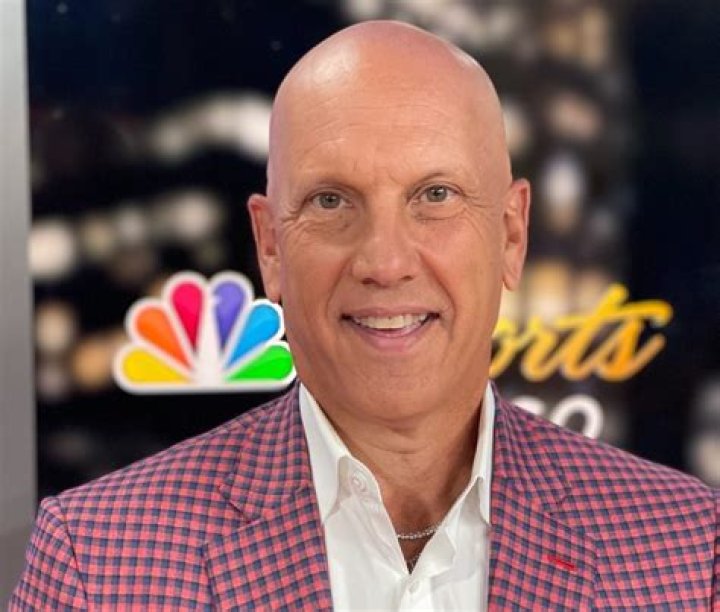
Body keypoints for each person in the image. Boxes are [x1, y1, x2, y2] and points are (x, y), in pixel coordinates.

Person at [12, 21, 719, 610]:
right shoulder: (97, 561)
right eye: (331, 202)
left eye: (435, 195)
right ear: (270, 246)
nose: (385, 261)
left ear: (510, 234)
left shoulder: (689, 551)